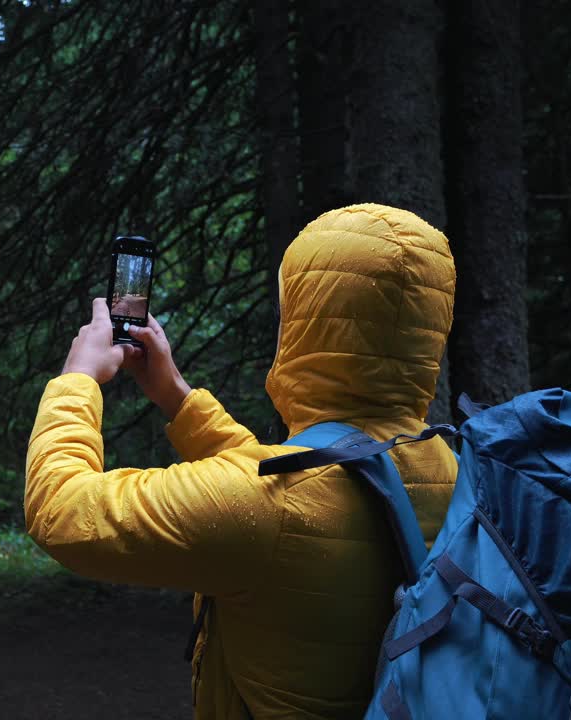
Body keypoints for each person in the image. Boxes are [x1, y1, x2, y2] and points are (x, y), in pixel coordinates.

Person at [25, 203, 458, 719]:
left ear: (305, 327)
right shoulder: (453, 471)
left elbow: (64, 513)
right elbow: (286, 486)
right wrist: (178, 398)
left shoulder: (271, 504)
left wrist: (78, 379)